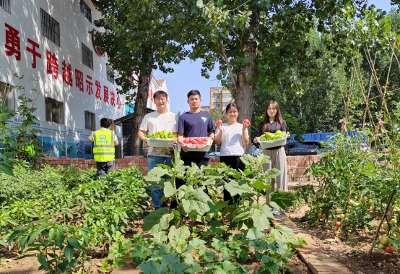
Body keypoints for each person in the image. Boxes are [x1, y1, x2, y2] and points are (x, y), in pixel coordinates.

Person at [171, 90, 215, 209]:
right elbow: (180, 135)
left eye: (196, 99)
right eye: (192, 99)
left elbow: (211, 132)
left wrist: (210, 141)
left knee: (202, 182)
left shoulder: (206, 116)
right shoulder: (183, 117)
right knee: (181, 182)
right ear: (188, 101)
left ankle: (205, 210)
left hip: (202, 155)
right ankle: (177, 208)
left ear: (200, 100)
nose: (194, 101)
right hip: (186, 154)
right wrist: (182, 144)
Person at [138, 90, 178, 210]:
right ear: (154, 101)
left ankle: (168, 208)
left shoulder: (173, 116)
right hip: (153, 155)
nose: (161, 101)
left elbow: (175, 134)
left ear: (167, 100)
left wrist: (174, 141)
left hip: (169, 155)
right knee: (155, 184)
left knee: (169, 183)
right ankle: (159, 209)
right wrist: (145, 139)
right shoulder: (149, 116)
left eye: (163, 99)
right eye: (158, 99)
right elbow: (141, 132)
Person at [253, 100, 290, 215]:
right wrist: (255, 141)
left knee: (281, 177)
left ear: (277, 110)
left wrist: (287, 136)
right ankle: (270, 206)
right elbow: (258, 141)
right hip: (266, 152)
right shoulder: (262, 125)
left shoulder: (282, 123)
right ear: (266, 110)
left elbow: (284, 136)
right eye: (269, 108)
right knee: (269, 178)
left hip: (279, 150)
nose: (271, 111)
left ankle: (282, 205)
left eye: (274, 108)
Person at [214, 102, 249, 205]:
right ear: (226, 114)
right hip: (225, 156)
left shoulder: (241, 126)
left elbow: (245, 142)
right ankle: (228, 207)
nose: (232, 114)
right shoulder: (222, 126)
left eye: (234, 112)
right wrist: (220, 131)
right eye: (230, 112)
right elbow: (217, 142)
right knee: (227, 183)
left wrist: (243, 130)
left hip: (239, 156)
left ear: (238, 113)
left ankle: (237, 207)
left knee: (238, 183)